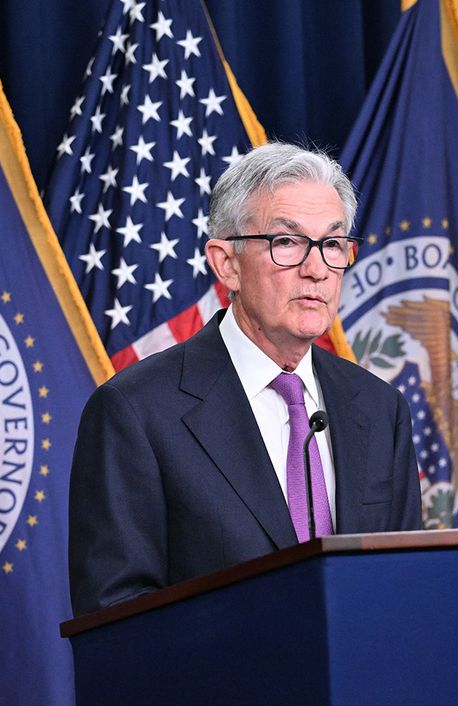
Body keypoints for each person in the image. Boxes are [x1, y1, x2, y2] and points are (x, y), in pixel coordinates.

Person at [68, 142, 422, 615]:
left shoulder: (380, 409)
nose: (316, 269)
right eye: (287, 242)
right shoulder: (135, 412)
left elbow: (405, 586)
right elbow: (116, 617)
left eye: (333, 244)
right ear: (226, 264)